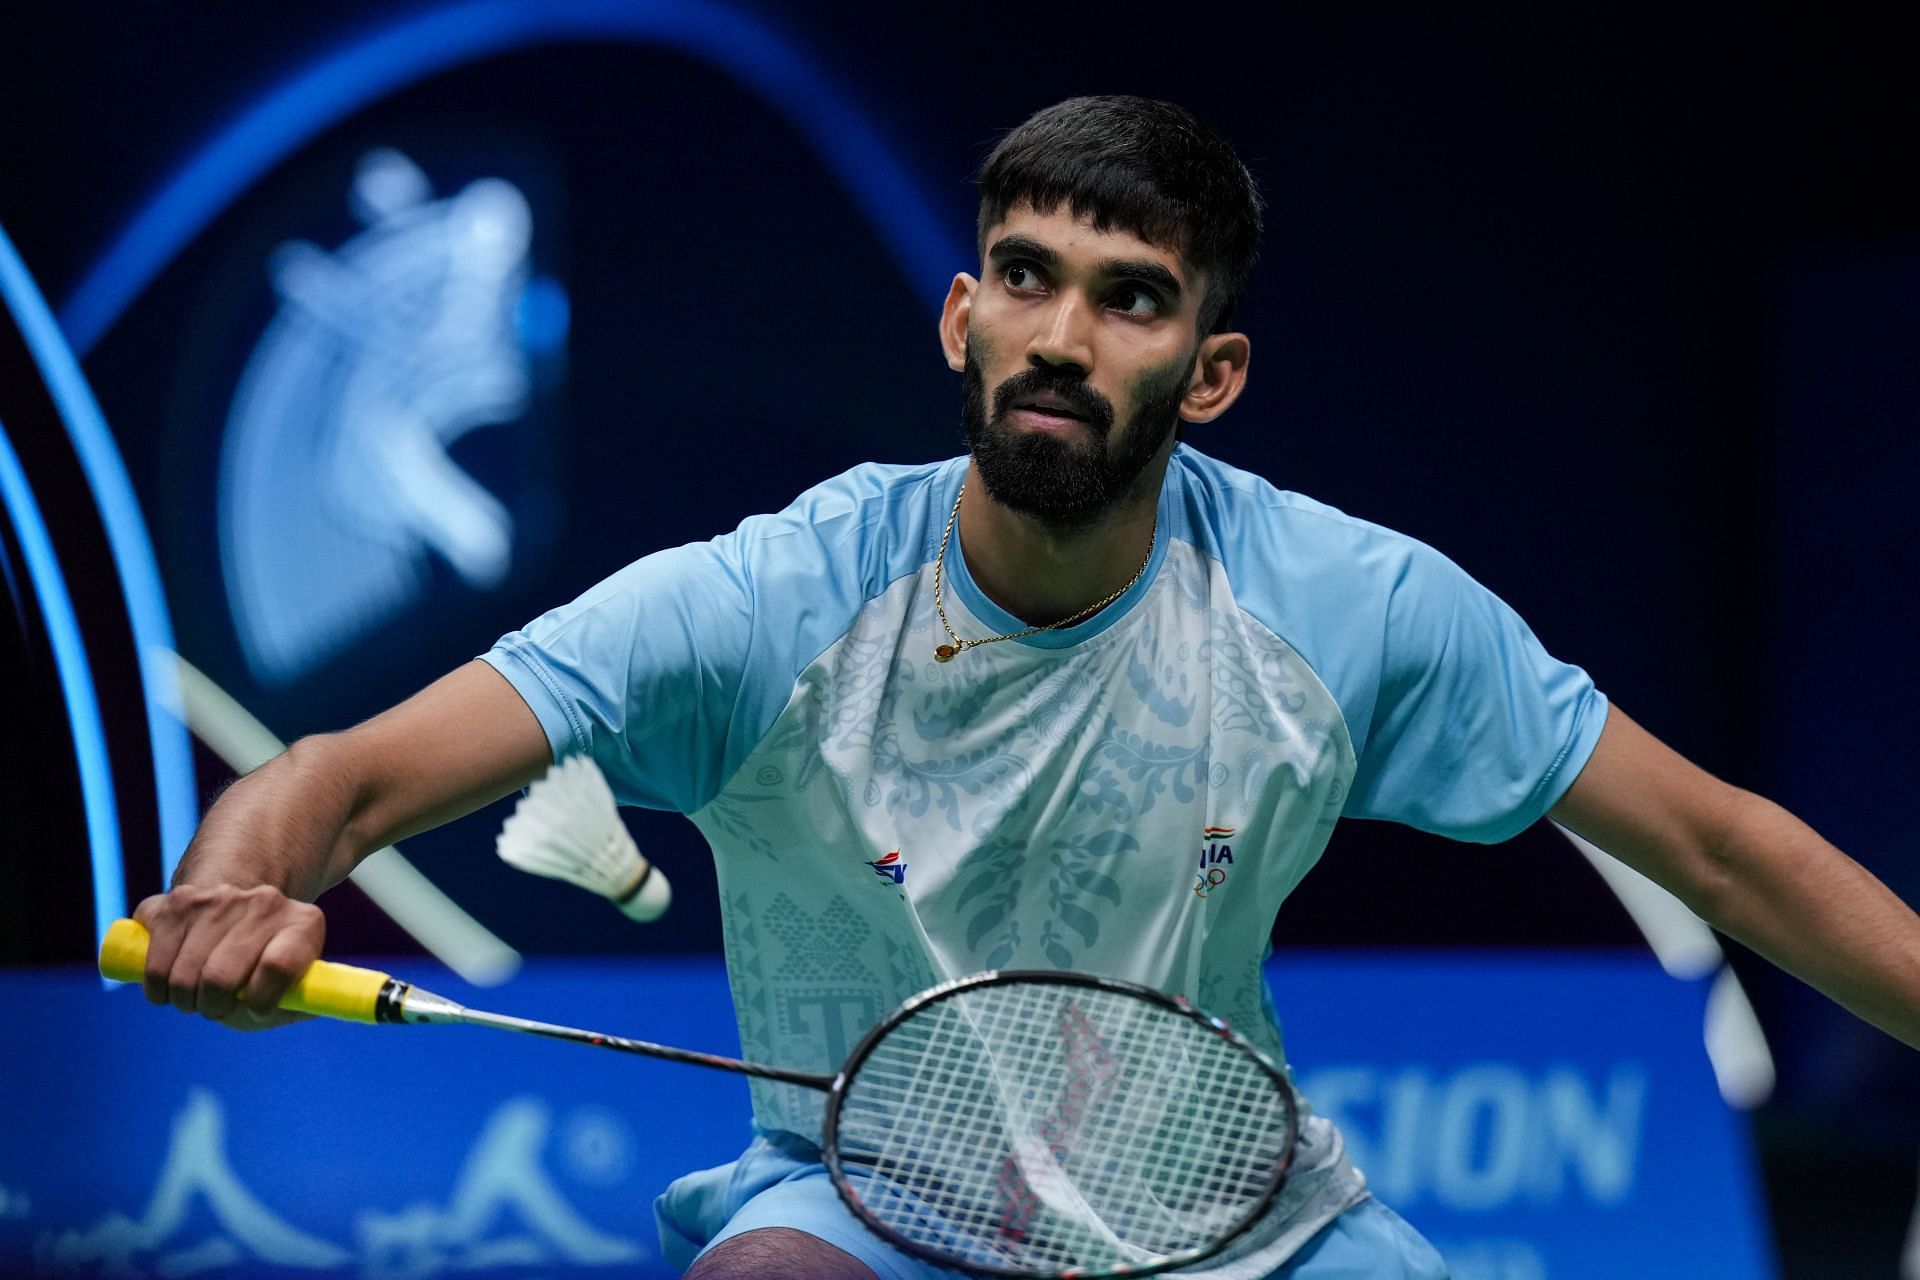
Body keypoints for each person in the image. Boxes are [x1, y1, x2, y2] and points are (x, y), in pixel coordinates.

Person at [134, 96, 1920, 1280]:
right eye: (1026, 278)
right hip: (867, 1202)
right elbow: (350, 777)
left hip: (1239, 1223)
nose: (1063, 335)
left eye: (1130, 300)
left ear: (1211, 372)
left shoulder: (1344, 608)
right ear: (959, 320)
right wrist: (236, 881)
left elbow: (1724, 846)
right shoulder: (772, 606)